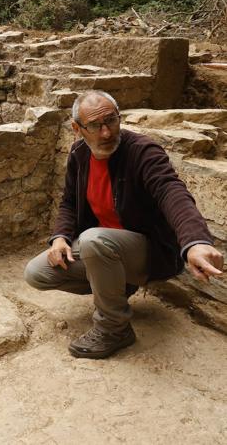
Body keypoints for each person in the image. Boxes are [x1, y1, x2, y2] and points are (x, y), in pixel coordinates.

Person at [25, 90, 223, 359]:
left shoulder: (142, 151)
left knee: (93, 239)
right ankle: (117, 287)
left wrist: (195, 242)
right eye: (94, 125)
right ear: (77, 128)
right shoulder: (79, 153)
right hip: (106, 249)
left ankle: (114, 328)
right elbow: (69, 202)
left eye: (111, 121)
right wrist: (60, 237)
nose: (106, 132)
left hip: (149, 253)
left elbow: (171, 191)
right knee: (37, 273)